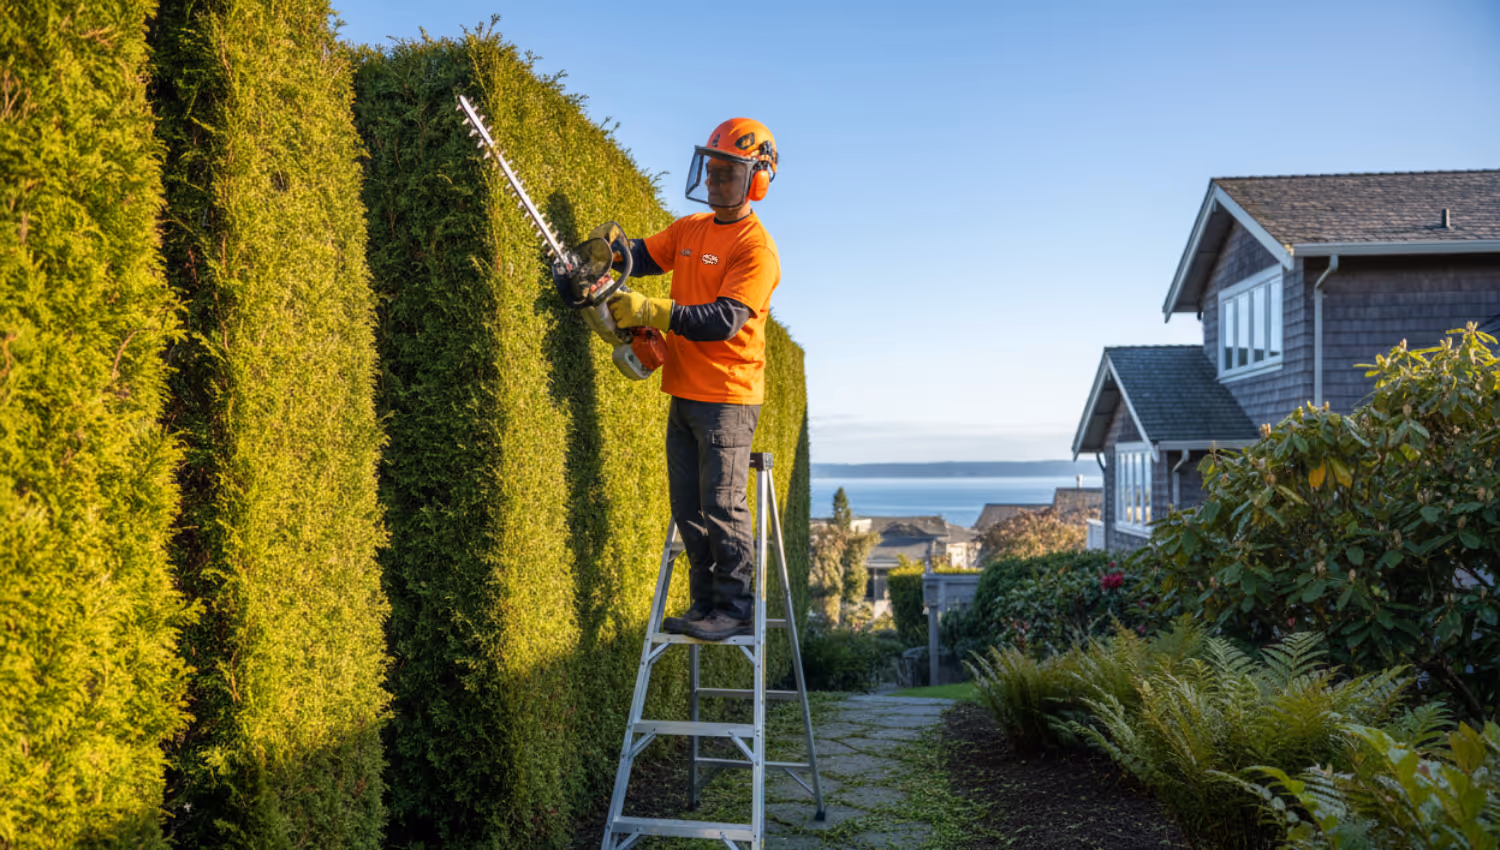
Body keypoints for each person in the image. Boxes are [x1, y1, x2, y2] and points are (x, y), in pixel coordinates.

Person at [603, 117, 781, 641]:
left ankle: (736, 607)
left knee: (723, 504)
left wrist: (652, 310)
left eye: (726, 174)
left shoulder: (756, 249)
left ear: (756, 181)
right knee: (688, 506)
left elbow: (723, 320)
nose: (713, 182)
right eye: (711, 170)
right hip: (682, 390)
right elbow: (641, 253)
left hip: (728, 397)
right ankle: (706, 605)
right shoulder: (689, 229)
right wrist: (601, 257)